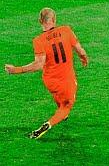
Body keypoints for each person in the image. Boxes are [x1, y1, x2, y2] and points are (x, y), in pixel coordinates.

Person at [4, 8, 88, 139]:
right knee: (67, 105)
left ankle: (62, 115)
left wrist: (16, 70)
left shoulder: (38, 41)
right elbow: (79, 49)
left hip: (50, 81)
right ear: (54, 20)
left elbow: (38, 65)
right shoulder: (66, 30)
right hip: (66, 79)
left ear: (40, 21)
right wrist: (83, 57)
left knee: (60, 98)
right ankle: (49, 124)